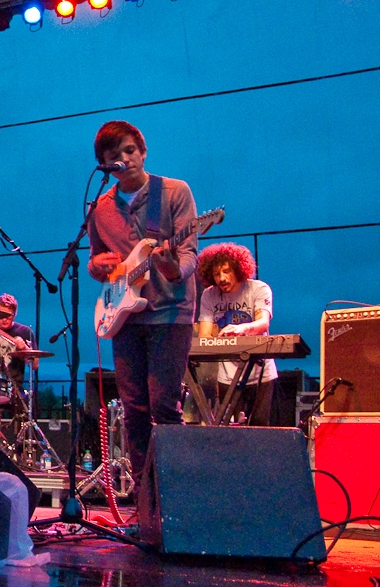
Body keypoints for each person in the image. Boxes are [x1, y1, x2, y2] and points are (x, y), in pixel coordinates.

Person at [86, 120, 198, 492]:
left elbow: (188, 256)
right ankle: (144, 495)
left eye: (130, 151)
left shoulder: (174, 192)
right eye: (115, 156)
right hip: (124, 315)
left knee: (164, 406)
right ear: (104, 164)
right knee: (133, 409)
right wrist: (96, 267)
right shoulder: (99, 208)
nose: (126, 159)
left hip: (170, 311)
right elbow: (96, 260)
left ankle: (175, 493)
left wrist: (171, 267)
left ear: (143, 151)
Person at [196, 242, 277, 426]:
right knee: (230, 432)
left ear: (239, 269)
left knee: (260, 429)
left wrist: (242, 328)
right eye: (217, 274)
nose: (221, 278)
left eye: (226, 271)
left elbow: (263, 323)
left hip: (260, 374)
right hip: (227, 376)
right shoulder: (209, 295)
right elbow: (204, 338)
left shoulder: (258, 289)